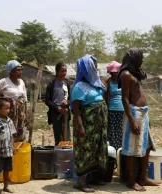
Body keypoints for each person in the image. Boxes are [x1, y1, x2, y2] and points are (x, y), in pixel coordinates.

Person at [117, 48, 158, 191]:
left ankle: (143, 177)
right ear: (133, 58)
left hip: (143, 113)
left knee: (146, 146)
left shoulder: (135, 73)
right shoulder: (126, 75)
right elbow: (125, 99)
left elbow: (143, 76)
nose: (142, 60)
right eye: (140, 57)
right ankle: (130, 180)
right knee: (130, 147)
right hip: (133, 114)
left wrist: (140, 70)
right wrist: (132, 121)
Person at [71, 54, 108, 193]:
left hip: (98, 125)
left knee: (97, 149)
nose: (96, 69)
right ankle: (81, 182)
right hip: (87, 125)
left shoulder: (97, 83)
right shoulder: (79, 87)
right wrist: (80, 127)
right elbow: (76, 110)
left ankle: (93, 177)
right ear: (87, 68)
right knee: (85, 150)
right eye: (94, 66)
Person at [0, 60, 28, 142]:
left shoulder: (22, 82)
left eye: (21, 70)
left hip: (20, 113)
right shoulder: (5, 81)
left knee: (20, 132)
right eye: (18, 70)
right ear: (11, 71)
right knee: (9, 132)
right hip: (9, 112)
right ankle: (8, 150)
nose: (20, 72)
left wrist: (26, 115)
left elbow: (25, 100)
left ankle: (18, 151)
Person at [0, 98, 16, 194]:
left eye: (9, 108)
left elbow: (12, 135)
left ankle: (6, 186)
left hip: (8, 150)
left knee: (7, 169)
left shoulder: (10, 121)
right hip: (0, 151)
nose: (8, 110)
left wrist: (13, 146)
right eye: (6, 108)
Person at [45, 62, 71, 145]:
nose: (64, 73)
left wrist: (67, 102)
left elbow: (71, 98)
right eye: (62, 71)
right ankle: (59, 154)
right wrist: (57, 108)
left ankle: (67, 154)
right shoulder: (51, 84)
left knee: (66, 134)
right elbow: (47, 100)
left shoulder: (66, 84)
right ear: (57, 71)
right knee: (58, 135)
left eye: (65, 71)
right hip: (56, 112)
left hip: (65, 112)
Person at [103, 61, 124, 151]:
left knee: (121, 131)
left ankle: (120, 149)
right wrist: (106, 114)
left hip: (122, 110)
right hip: (112, 110)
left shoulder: (123, 81)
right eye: (115, 72)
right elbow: (105, 99)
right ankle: (113, 150)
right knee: (112, 131)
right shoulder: (107, 83)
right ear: (111, 73)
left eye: (118, 72)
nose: (117, 74)